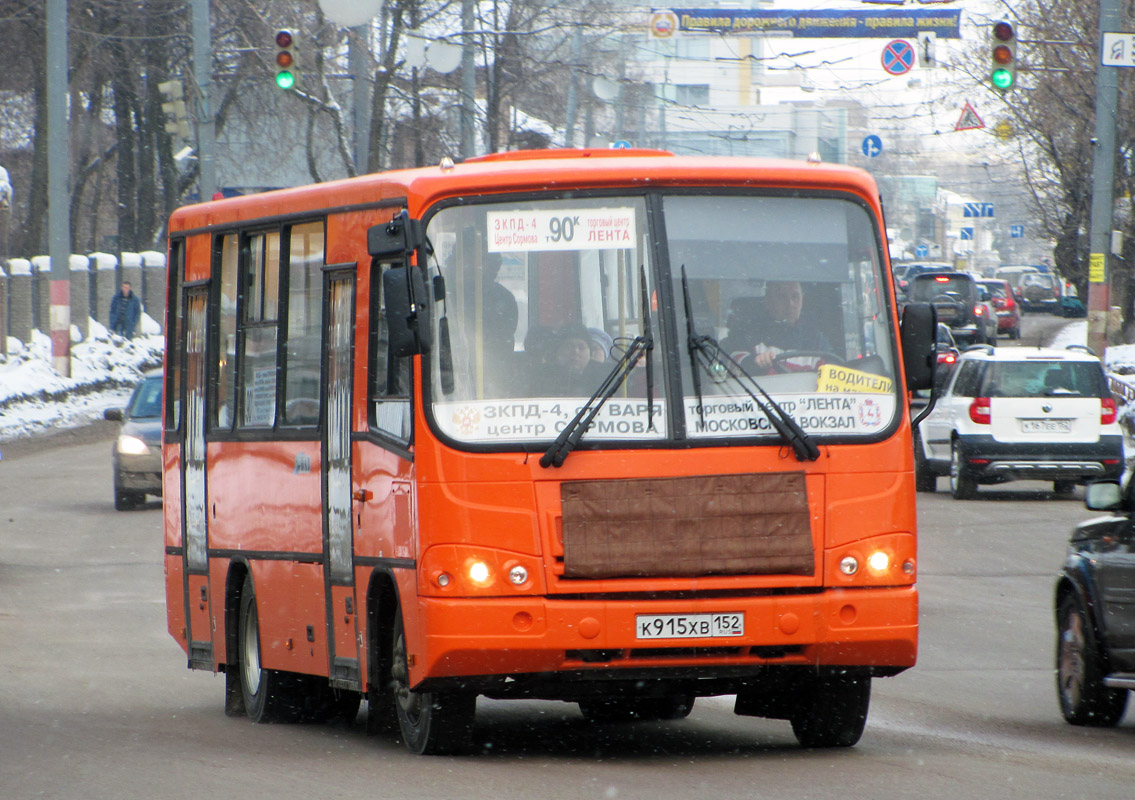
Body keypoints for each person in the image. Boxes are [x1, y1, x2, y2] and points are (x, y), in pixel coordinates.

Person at [721, 280, 830, 371]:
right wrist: (756, 364)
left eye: (795, 297)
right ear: (767, 302)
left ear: (802, 301)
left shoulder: (816, 341)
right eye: (782, 297)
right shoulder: (746, 334)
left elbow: (833, 373)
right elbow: (736, 364)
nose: (790, 304)